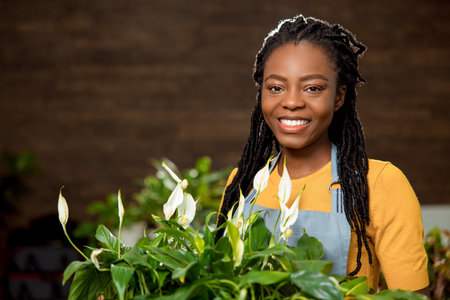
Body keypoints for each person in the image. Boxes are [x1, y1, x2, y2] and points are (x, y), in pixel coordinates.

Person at [216, 15, 429, 295]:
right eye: (276, 88)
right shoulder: (243, 185)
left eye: (313, 88)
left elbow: (412, 298)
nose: (291, 102)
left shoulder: (378, 184)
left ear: (339, 97)